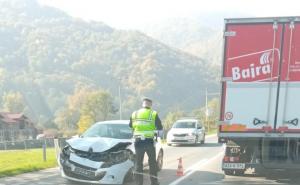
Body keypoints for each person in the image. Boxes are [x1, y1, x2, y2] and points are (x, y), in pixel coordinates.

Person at [129, 97, 163, 185]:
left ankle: (138, 183)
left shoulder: (134, 114)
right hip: (149, 142)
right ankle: (154, 182)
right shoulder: (153, 113)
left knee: (138, 164)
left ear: (142, 104)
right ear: (150, 105)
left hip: (138, 141)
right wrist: (156, 134)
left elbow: (130, 126)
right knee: (152, 163)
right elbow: (160, 127)